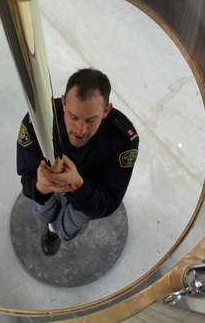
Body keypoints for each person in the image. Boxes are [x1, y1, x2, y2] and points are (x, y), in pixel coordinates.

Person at [16, 68, 139, 256]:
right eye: (73, 117)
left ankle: (54, 233)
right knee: (42, 213)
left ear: (106, 110)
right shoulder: (37, 120)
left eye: (91, 120)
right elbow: (27, 176)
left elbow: (108, 201)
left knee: (66, 228)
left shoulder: (122, 141)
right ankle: (49, 226)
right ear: (63, 103)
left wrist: (77, 186)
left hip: (88, 193)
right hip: (49, 186)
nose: (80, 129)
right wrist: (41, 187)